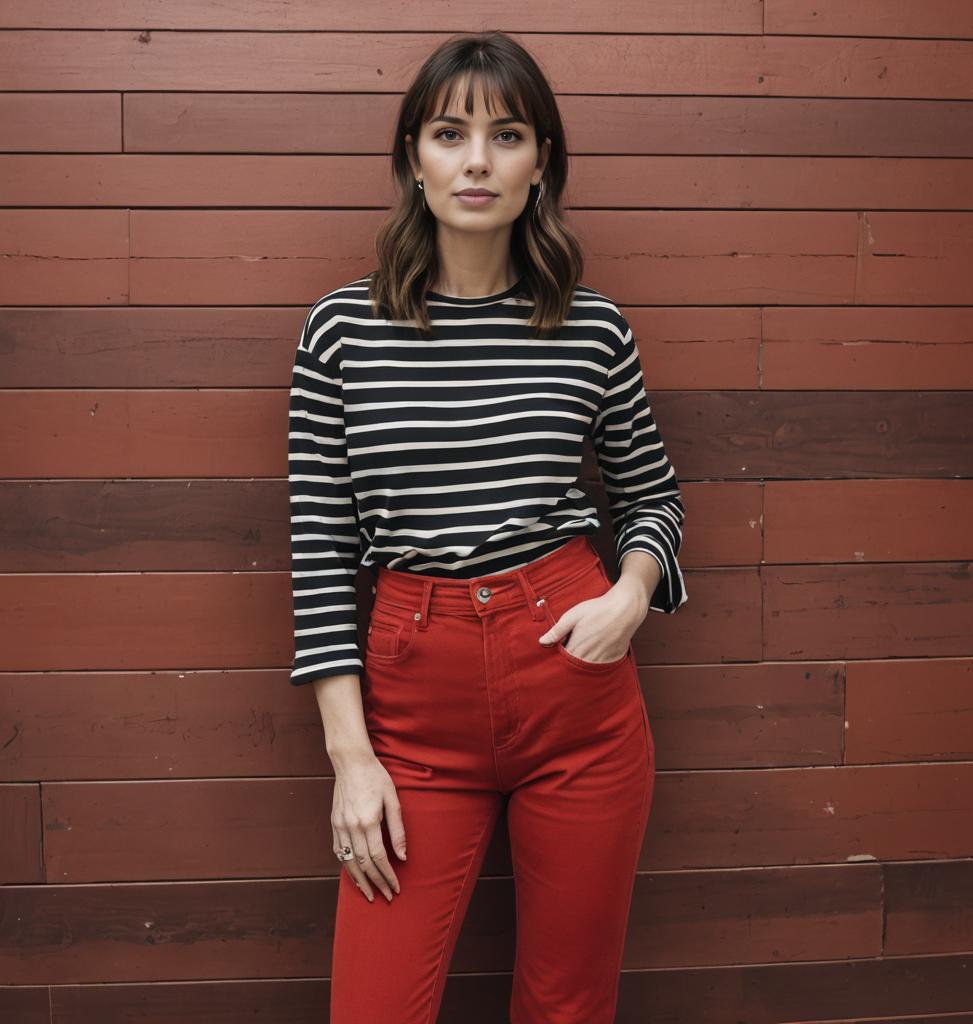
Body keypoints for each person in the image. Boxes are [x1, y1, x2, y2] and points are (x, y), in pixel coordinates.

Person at [286, 30, 688, 1024]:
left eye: (506, 135)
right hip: (414, 709)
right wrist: (352, 758)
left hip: (575, 685)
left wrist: (629, 596)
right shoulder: (342, 330)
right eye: (448, 133)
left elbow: (653, 497)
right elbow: (319, 549)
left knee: (567, 1005)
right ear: (411, 160)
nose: (476, 161)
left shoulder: (589, 326)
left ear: (540, 160)